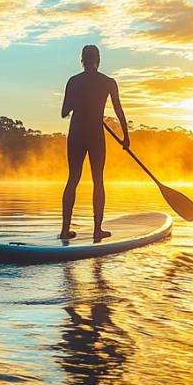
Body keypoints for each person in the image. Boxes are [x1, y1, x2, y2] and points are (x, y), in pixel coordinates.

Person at [61, 44, 129, 241]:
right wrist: (126, 137)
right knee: (98, 180)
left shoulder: (73, 81)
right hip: (95, 135)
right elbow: (118, 110)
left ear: (82, 60)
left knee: (73, 178)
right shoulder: (108, 82)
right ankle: (97, 230)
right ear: (98, 60)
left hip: (76, 133)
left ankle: (65, 230)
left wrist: (78, 103)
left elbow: (64, 112)